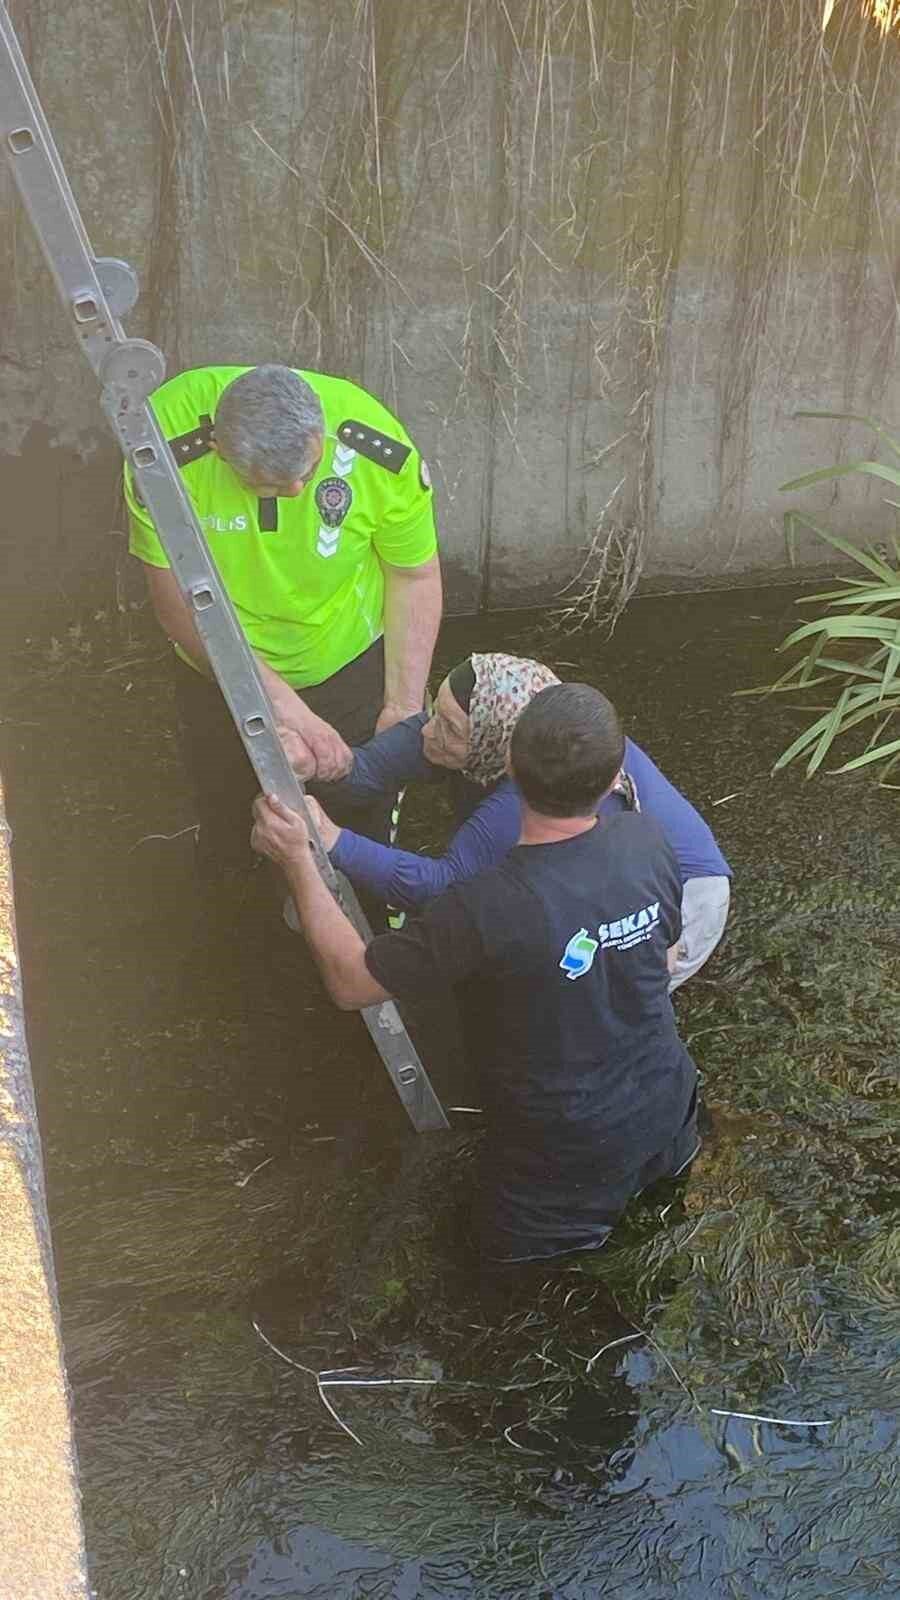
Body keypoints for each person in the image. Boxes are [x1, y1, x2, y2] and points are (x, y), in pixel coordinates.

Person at [251, 683, 700, 1263]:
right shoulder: (648, 839)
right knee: (662, 1247)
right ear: (617, 773)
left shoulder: (488, 905)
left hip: (567, 1156)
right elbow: (657, 950)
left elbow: (351, 981)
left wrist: (300, 865)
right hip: (672, 1113)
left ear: (508, 767)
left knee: (505, 1287)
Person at [124, 363, 442, 876]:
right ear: (223, 453)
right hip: (220, 671)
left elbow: (413, 577)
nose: (297, 491)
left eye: (309, 472)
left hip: (345, 660)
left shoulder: (376, 447)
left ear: (318, 431)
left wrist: (401, 707)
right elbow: (177, 606)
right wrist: (290, 713)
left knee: (359, 828)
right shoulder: (160, 450)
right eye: (271, 484)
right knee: (231, 820)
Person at [300, 653, 731, 989]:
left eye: (449, 728)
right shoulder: (488, 718)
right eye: (436, 711)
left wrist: (335, 842)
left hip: (686, 902)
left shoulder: (530, 797)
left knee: (573, 997)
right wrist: (316, 763)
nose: (428, 733)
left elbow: (442, 886)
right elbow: (366, 771)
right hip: (628, 867)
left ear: (498, 745)